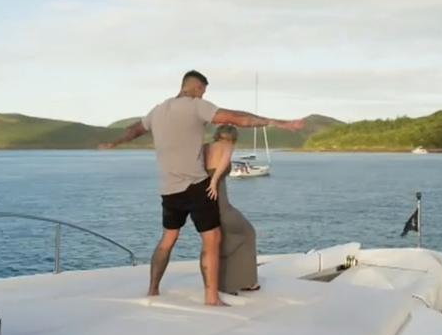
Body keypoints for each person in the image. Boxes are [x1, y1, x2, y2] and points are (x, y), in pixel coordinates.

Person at [100, 70, 303, 306]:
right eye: (203, 91)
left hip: (168, 188)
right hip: (195, 185)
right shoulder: (196, 106)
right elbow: (238, 118)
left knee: (168, 239)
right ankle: (211, 297)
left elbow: (135, 129)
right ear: (196, 88)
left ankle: (153, 289)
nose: (203, 95)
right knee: (211, 239)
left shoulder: (157, 111)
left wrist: (114, 142)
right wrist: (277, 123)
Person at [204, 125, 259, 293]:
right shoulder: (227, 147)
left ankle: (222, 282)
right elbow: (221, 167)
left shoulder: (205, 148)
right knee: (248, 233)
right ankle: (246, 282)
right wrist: (214, 181)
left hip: (205, 205)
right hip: (222, 205)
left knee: (223, 239)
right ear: (233, 138)